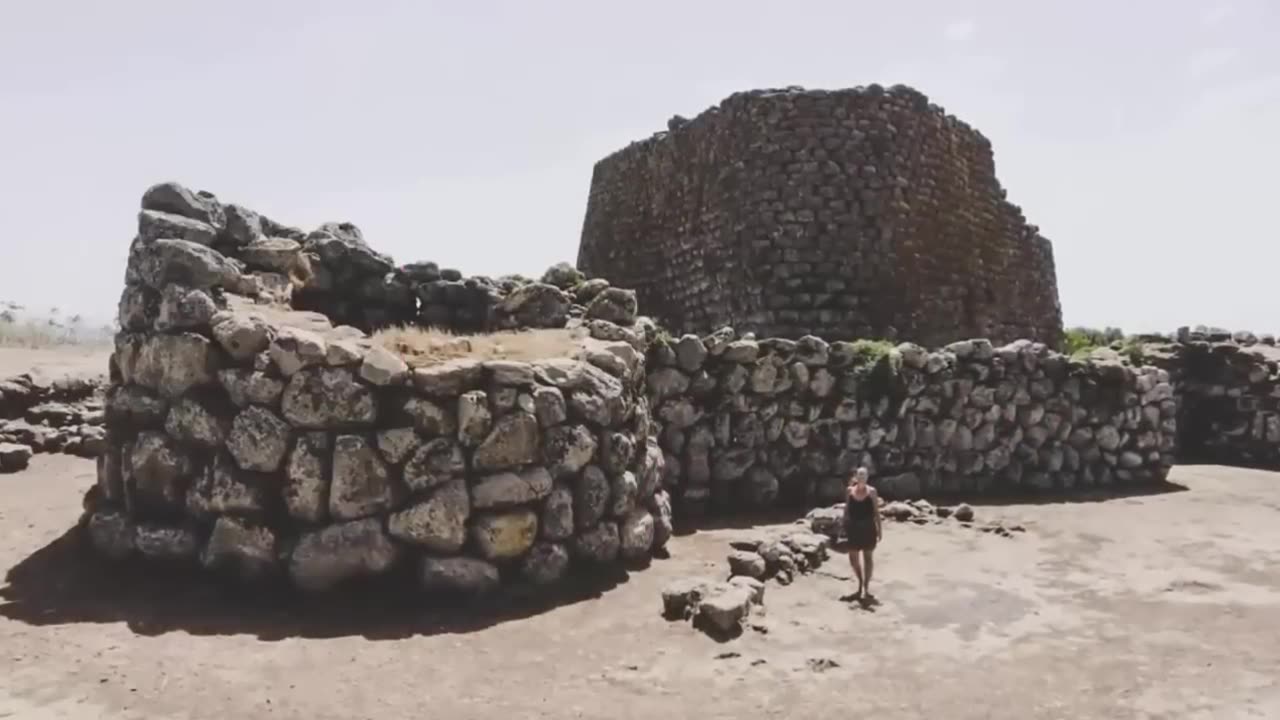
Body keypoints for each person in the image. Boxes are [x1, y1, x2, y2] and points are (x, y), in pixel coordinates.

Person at [843, 466, 882, 601]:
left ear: (867, 477)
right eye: (859, 475)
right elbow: (846, 510)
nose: (861, 478)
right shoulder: (849, 491)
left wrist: (880, 530)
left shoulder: (872, 492)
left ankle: (866, 586)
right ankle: (860, 581)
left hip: (868, 528)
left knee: (868, 559)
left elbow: (876, 512)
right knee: (853, 559)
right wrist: (843, 526)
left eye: (864, 475)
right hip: (853, 528)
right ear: (856, 476)